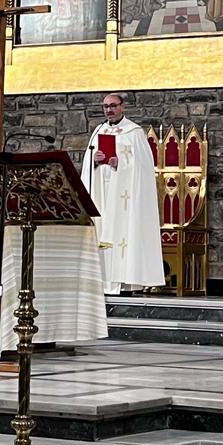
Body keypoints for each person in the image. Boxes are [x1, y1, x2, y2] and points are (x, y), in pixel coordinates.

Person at [81, 93, 165, 295]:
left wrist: (121, 163)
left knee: (123, 232)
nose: (109, 110)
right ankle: (101, 281)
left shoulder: (134, 132)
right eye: (105, 107)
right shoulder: (98, 131)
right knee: (101, 230)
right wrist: (94, 160)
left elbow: (145, 167)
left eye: (113, 105)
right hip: (102, 192)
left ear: (122, 107)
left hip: (125, 195)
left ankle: (127, 280)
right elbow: (86, 165)